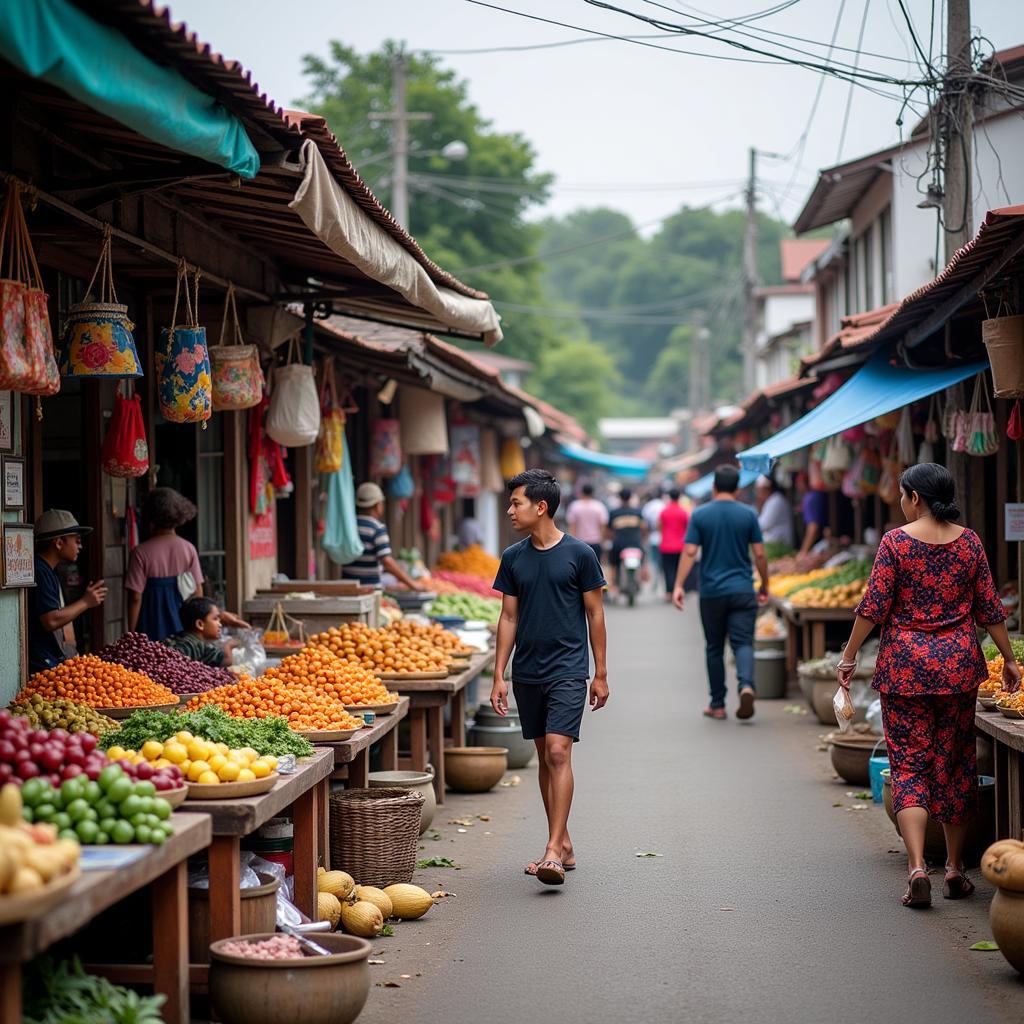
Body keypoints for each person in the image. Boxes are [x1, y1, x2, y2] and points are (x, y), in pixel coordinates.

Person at [837, 463, 1020, 909]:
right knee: (955, 764)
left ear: (915, 497)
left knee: (910, 765)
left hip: (904, 668)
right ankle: (955, 869)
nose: (901, 503)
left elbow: (873, 605)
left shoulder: (896, 542)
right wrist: (1010, 659)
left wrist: (849, 654)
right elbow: (989, 608)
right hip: (958, 667)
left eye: (902, 495)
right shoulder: (970, 541)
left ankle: (918, 866)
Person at [490, 469, 608, 887]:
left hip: (569, 669)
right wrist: (499, 674)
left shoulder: (580, 554)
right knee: (544, 754)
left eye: (516, 503)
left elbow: (595, 613)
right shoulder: (513, 557)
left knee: (558, 752)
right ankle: (565, 842)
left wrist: (601, 672)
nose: (510, 511)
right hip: (527, 671)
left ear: (541, 507)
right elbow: (508, 616)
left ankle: (553, 851)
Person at [672, 465, 769, 720]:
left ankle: (717, 704)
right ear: (737, 489)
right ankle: (746, 684)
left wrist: (679, 585)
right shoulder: (748, 514)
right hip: (742, 589)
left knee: (714, 647)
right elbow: (759, 553)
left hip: (712, 591)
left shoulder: (700, 514)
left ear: (714, 486)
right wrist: (765, 585)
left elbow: (690, 552)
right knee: (743, 643)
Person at [126, 488, 248, 642]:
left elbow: (135, 597)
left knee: (150, 661)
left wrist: (131, 633)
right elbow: (198, 592)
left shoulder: (140, 552)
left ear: (149, 517)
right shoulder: (188, 549)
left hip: (151, 622)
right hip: (182, 622)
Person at [29, 510, 106, 674]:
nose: (80, 546)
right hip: (41, 664)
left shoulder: (48, 570)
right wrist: (86, 602)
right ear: (58, 543)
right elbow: (50, 620)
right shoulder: (40, 571)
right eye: (77, 541)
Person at [342, 482, 425, 590]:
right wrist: (412, 584)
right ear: (378, 505)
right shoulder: (377, 528)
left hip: (348, 587)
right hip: (369, 589)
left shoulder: (349, 526)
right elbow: (387, 562)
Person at [163, 596, 236, 667]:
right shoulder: (196, 645)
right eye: (215, 618)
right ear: (200, 624)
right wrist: (228, 645)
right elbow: (227, 660)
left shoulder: (177, 636)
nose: (220, 624)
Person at [606, 488, 647, 596]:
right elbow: (644, 528)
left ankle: (614, 585)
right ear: (630, 497)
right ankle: (642, 575)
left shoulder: (614, 513)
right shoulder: (637, 512)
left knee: (614, 564)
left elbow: (609, 531)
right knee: (643, 558)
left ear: (620, 498)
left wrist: (609, 539)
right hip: (636, 544)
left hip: (619, 544)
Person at [658, 488, 689, 600]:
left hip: (666, 545)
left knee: (668, 569)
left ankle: (669, 592)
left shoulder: (664, 511)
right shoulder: (683, 512)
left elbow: (659, 527)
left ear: (670, 497)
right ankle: (679, 590)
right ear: (679, 497)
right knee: (678, 569)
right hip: (680, 546)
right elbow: (688, 528)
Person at [566, 483, 608, 564]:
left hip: (579, 542)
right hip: (596, 542)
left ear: (582, 492)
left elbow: (572, 526)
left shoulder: (575, 506)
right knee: (595, 568)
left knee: (578, 567)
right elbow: (603, 526)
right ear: (592, 493)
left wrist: (570, 543)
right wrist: (602, 542)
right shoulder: (599, 506)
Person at [755, 475, 795, 548]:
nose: (758, 494)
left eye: (759, 490)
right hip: (774, 543)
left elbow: (762, 525)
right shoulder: (771, 500)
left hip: (779, 544)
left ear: (767, 489)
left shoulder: (776, 501)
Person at [798, 478, 829, 557]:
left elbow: (813, 528)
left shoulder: (811, 498)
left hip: (819, 546)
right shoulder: (817, 495)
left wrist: (803, 551)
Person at [642, 488, 667, 573]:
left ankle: (655, 581)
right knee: (662, 561)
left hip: (652, 536)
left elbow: (644, 524)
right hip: (663, 537)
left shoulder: (648, 506)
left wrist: (645, 537)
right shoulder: (664, 505)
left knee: (653, 561)